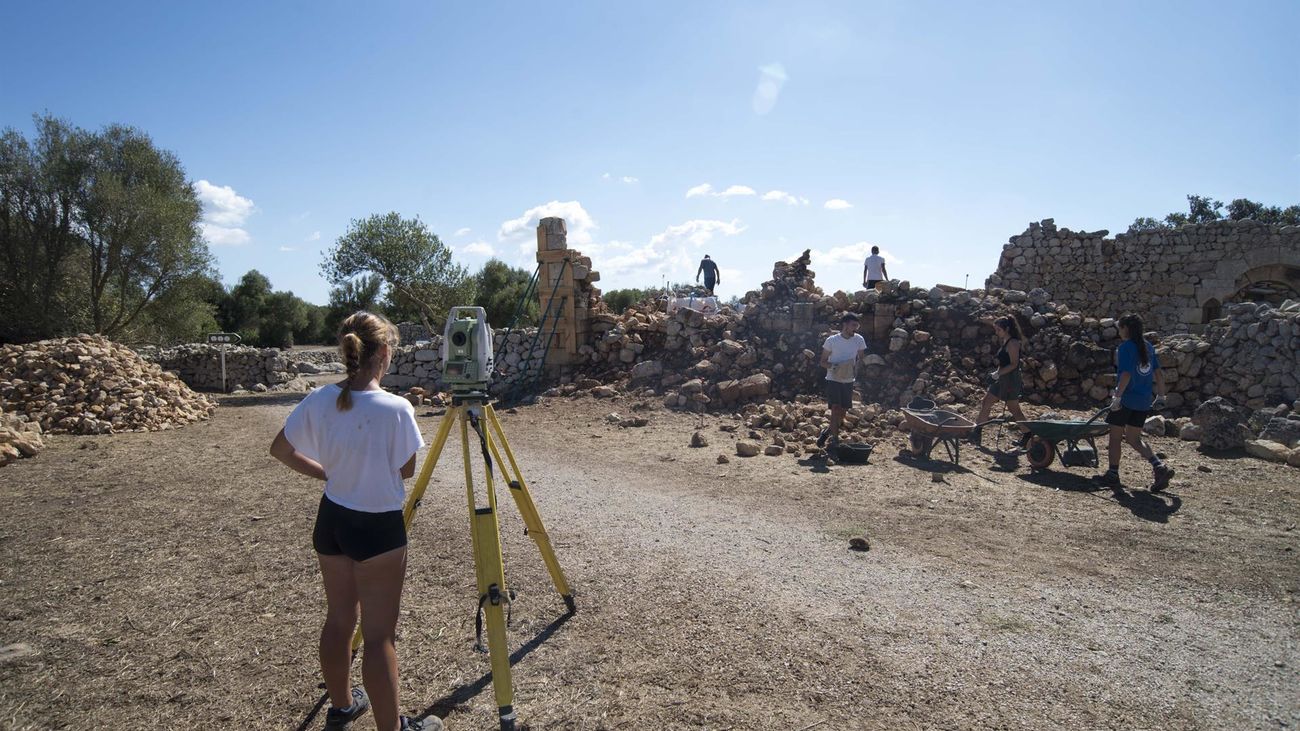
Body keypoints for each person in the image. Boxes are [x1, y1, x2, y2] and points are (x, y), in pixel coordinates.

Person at [269, 312, 440, 731]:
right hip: (377, 527)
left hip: (333, 520)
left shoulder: (319, 398)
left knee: (339, 619)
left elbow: (281, 449)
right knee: (379, 636)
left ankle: (343, 706)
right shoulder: (396, 408)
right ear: (383, 352)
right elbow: (405, 470)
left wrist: (327, 472)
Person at [1092, 313, 1175, 491]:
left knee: (1115, 438)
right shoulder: (1148, 347)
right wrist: (1161, 396)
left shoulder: (1126, 347)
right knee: (1133, 438)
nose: (1119, 332)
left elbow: (1127, 374)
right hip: (1143, 401)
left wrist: (1117, 397)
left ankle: (1113, 474)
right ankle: (1158, 466)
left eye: (1120, 328)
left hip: (1126, 400)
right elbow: (1159, 374)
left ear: (1126, 329)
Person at [973, 316, 1030, 446]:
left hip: (1010, 380)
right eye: (996, 329)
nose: (996, 332)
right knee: (986, 402)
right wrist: (996, 374)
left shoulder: (1013, 343)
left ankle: (1028, 435)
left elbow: (1014, 364)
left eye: (999, 329)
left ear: (1007, 329)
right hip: (1001, 378)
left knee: (1013, 408)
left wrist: (998, 374)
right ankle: (976, 432)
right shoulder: (1005, 341)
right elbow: (1004, 362)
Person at [817, 313, 869, 448]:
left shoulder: (859, 340)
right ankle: (834, 440)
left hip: (848, 380)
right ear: (844, 325)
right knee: (835, 408)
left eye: (857, 326)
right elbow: (822, 362)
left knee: (843, 412)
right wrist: (835, 367)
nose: (855, 329)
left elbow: (861, 359)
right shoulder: (831, 340)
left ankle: (827, 432)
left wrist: (854, 372)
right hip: (833, 379)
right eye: (853, 326)